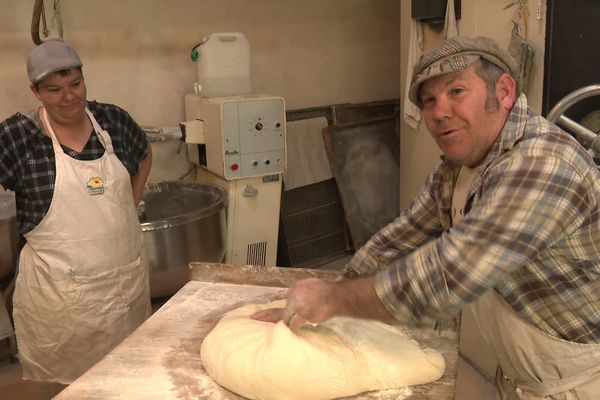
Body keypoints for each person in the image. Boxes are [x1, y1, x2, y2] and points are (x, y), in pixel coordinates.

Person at [253, 36, 600, 399]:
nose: (439, 112)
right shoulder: (458, 168)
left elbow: (447, 276)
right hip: (525, 376)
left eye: (457, 91)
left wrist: (331, 301)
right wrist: (333, 294)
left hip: (582, 382)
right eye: (429, 100)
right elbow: (401, 237)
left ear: (505, 91)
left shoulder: (544, 166)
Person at [0, 38, 153, 384]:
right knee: (71, 386)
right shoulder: (19, 137)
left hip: (124, 288)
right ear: (35, 91)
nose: (68, 97)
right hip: (61, 304)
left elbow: (144, 153)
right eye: (54, 89)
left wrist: (132, 199)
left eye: (75, 84)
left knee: (130, 375)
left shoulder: (112, 120)